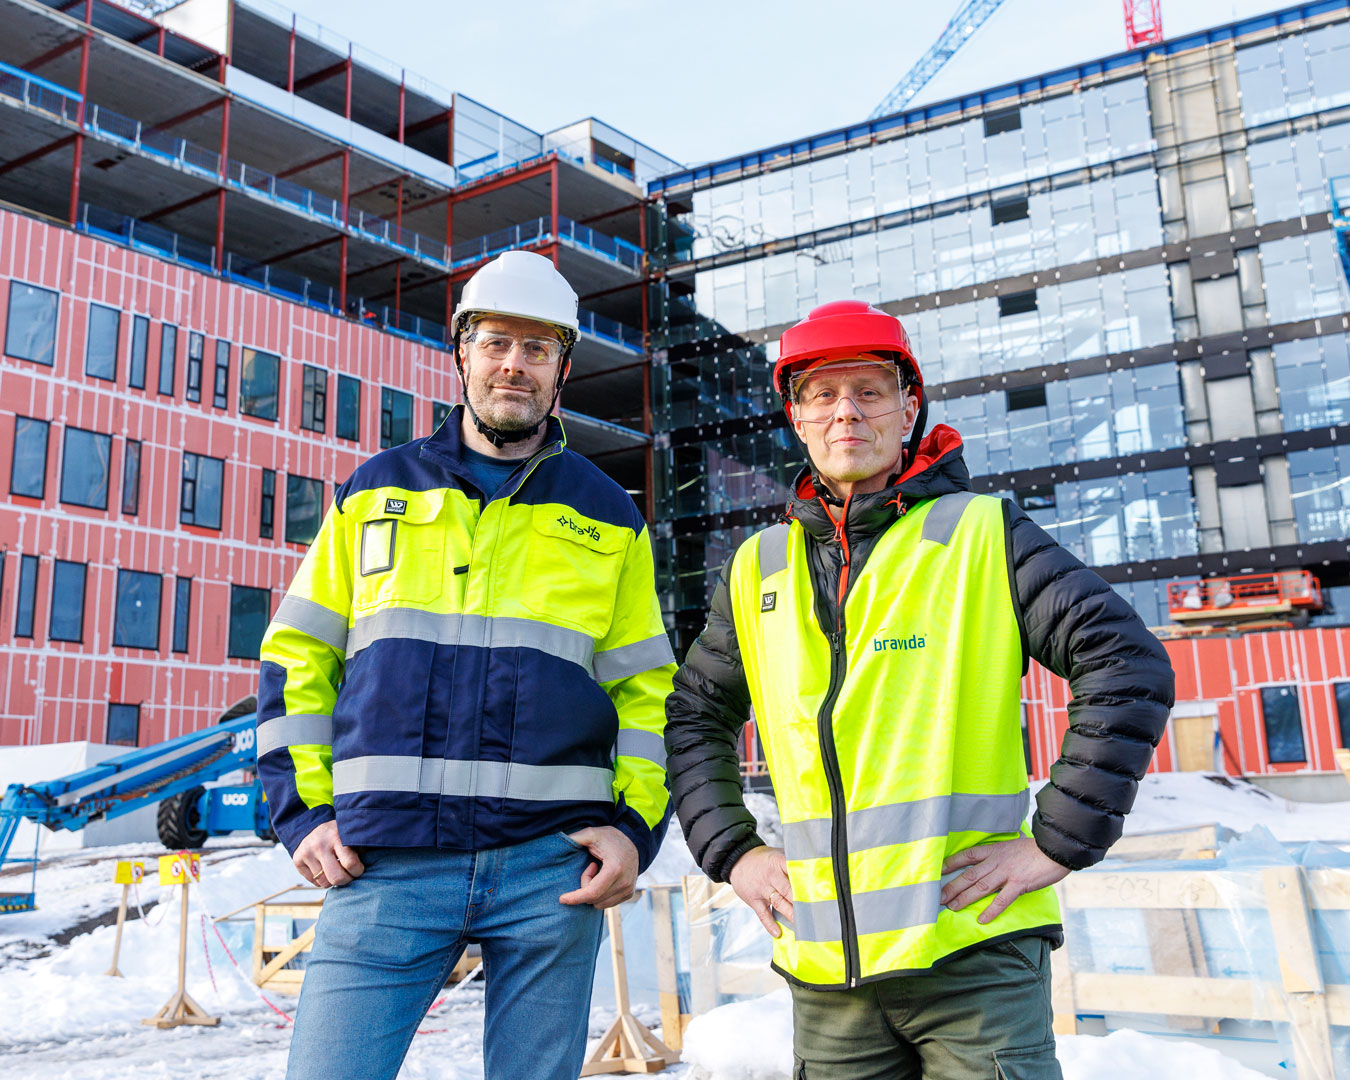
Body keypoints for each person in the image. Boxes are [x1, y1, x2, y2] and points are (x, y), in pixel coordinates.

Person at [664, 300, 1174, 1079]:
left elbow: (1126, 663)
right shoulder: (758, 567)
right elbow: (695, 713)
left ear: (909, 407)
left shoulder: (982, 533)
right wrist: (732, 852)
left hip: (971, 955)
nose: (846, 412)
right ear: (795, 417)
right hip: (828, 976)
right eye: (822, 394)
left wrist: (1057, 842)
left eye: (869, 391)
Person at [255, 249, 676, 1080]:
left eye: (536, 349)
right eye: (494, 343)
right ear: (462, 354)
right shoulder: (376, 491)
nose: (512, 365)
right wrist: (302, 814)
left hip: (550, 873)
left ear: (562, 369)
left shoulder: (607, 512)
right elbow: (298, 654)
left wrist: (634, 830)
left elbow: (645, 691)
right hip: (384, 863)